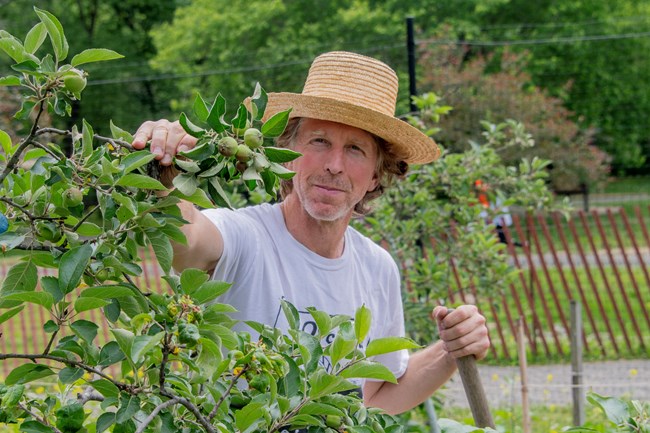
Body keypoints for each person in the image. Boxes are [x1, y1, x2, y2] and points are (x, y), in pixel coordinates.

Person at [132, 51, 490, 415]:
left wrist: (450, 350)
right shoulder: (246, 238)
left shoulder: (377, 267)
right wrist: (164, 178)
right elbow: (188, 243)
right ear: (286, 153)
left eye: (355, 149)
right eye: (319, 141)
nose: (334, 165)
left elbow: (374, 399)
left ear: (376, 175)